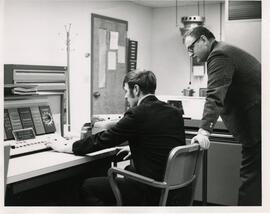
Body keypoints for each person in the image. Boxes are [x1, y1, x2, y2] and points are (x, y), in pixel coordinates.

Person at [46, 70, 187, 205]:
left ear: (136, 89)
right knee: (128, 169)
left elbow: (103, 140)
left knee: (88, 186)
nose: (125, 96)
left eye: (126, 91)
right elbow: (163, 141)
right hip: (174, 189)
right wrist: (139, 149)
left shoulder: (137, 113)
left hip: (152, 190)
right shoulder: (174, 112)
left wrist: (66, 146)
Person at [183, 26, 261, 206]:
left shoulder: (219, 55)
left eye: (191, 48)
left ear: (203, 40)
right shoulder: (225, 50)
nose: (190, 54)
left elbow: (215, 95)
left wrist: (204, 131)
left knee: (251, 183)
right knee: (257, 182)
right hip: (259, 123)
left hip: (257, 127)